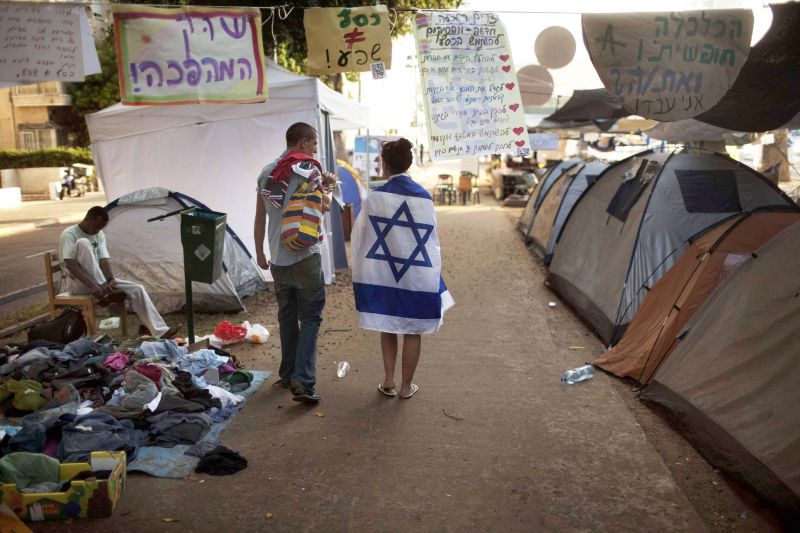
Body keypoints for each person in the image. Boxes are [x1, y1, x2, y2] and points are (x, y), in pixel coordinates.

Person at [350, 138, 454, 399]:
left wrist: (364, 269)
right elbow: (430, 240)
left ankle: (388, 380)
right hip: (416, 273)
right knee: (412, 328)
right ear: (408, 163)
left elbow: (362, 237)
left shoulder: (376, 198)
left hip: (384, 272)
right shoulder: (424, 197)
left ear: (384, 166)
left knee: (388, 323)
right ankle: (406, 387)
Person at [254, 122, 335, 403]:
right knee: (310, 318)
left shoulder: (267, 172)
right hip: (305, 256)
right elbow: (324, 205)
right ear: (302, 142)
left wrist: (260, 252)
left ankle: (287, 374)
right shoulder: (308, 169)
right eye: (313, 144)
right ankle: (303, 382)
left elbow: (260, 217)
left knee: (287, 318)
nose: (315, 149)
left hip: (278, 258)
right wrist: (330, 190)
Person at [59, 206, 181, 339]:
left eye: (101, 228)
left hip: (100, 285)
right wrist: (93, 285)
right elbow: (70, 266)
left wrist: (111, 279)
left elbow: (104, 260)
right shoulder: (69, 234)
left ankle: (161, 331)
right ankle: (106, 290)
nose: (97, 231)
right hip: (79, 284)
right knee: (83, 242)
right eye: (97, 227)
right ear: (88, 219)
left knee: (137, 289)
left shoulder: (98, 234)